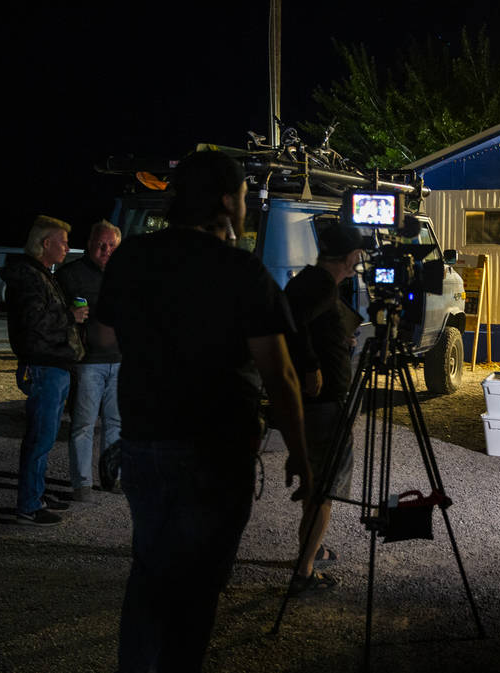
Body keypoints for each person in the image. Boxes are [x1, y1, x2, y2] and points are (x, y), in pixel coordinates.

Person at [97, 150, 311, 672]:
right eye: (241, 195)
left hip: (145, 441)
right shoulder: (241, 271)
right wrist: (302, 453)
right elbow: (279, 374)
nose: (244, 204)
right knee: (198, 586)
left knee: (149, 573)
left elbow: (102, 336)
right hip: (216, 447)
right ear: (225, 201)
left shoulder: (133, 257)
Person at [284, 222, 364, 595]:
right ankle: (304, 570)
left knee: (317, 484)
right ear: (349, 257)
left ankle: (311, 550)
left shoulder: (310, 281)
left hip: (317, 402)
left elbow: (305, 323)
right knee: (325, 490)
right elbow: (293, 324)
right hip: (325, 403)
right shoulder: (319, 285)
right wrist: (311, 364)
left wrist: (336, 338)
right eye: (357, 255)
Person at [2, 215, 88, 525]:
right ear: (46, 243)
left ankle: (35, 494)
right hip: (44, 366)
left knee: (45, 438)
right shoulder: (29, 277)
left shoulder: (39, 274)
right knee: (39, 439)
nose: (67, 247)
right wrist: (70, 316)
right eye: (63, 242)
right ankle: (28, 504)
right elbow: (33, 323)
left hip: (53, 365)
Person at [56, 220, 122, 502]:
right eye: (100, 244)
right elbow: (59, 314)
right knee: (83, 424)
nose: (105, 250)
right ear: (90, 244)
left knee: (115, 423)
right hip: (87, 363)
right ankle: (81, 483)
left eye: (111, 245)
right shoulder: (71, 275)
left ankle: (112, 479)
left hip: (120, 361)